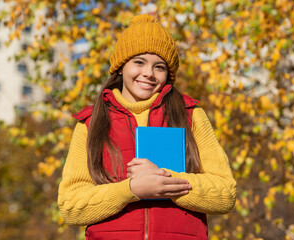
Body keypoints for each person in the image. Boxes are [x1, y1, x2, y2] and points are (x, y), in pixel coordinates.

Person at [58, 14, 237, 240]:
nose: (149, 74)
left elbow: (225, 193)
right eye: (139, 62)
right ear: (121, 67)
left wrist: (164, 180)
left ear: (168, 75)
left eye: (159, 67)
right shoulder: (91, 123)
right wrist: (131, 190)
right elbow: (71, 205)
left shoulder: (190, 116)